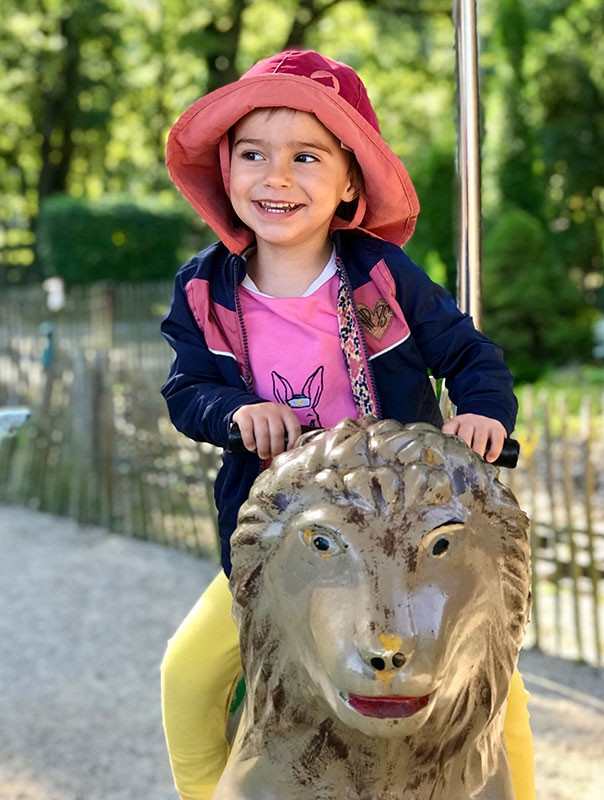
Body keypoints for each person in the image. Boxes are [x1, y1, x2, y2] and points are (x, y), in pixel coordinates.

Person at [160, 50, 534, 800]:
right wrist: (236, 414)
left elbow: (469, 353)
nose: (277, 177)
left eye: (306, 157)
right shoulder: (205, 287)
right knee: (187, 676)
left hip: (397, 525)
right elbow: (185, 387)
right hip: (288, 536)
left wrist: (483, 412)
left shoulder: (383, 277)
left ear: (350, 181)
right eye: (253, 155)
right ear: (227, 173)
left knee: (501, 696)